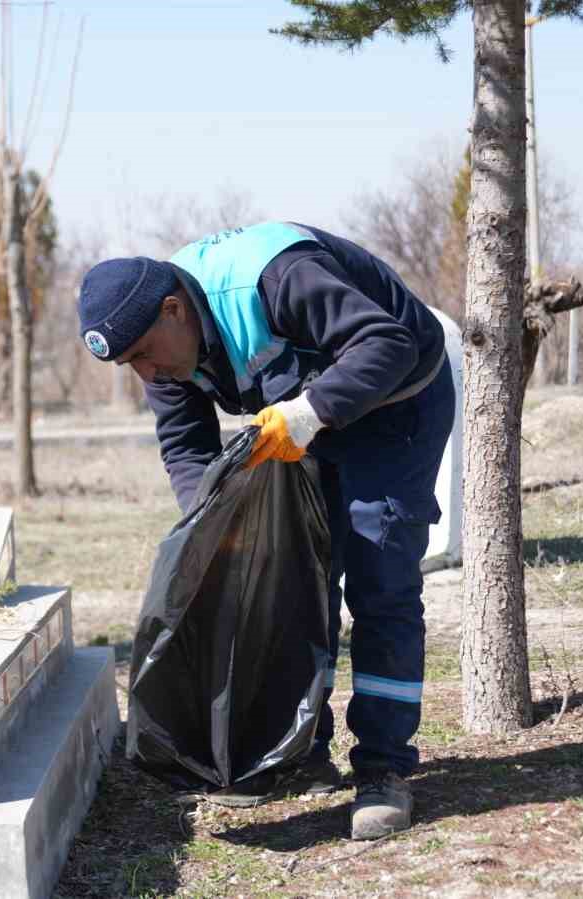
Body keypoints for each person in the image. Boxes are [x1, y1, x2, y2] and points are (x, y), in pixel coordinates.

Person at [76, 221, 455, 841]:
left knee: (378, 580)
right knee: (293, 576)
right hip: (306, 417)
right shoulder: (162, 347)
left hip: (395, 407)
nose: (144, 372)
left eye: (143, 352)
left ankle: (383, 770)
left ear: (175, 309)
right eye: (128, 364)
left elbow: (389, 344)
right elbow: (186, 447)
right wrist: (216, 528)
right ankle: (303, 752)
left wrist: (306, 416)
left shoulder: (274, 278)